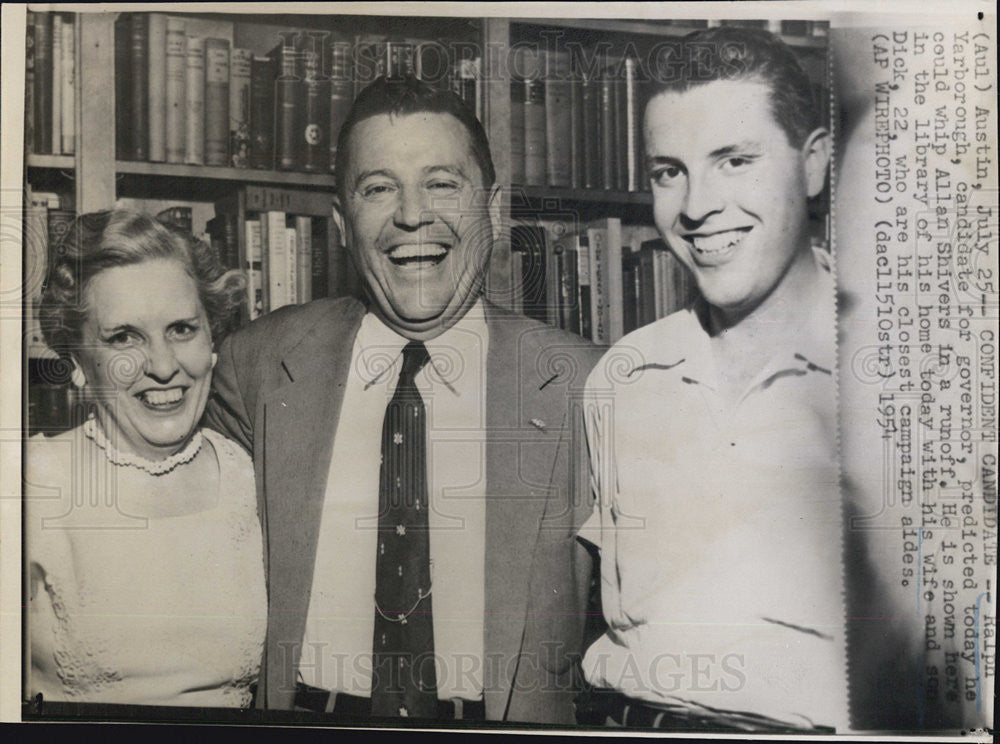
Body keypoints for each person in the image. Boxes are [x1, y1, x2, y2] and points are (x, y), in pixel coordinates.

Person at [204, 76, 601, 724]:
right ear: (340, 223)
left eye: (442, 183)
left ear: (492, 209)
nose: (413, 215)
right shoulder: (258, 366)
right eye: (378, 187)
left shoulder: (585, 386)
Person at [577, 27, 848, 732]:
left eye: (734, 160)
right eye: (670, 171)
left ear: (814, 164)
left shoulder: (911, 380)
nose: (696, 208)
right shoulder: (625, 377)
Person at [25, 211, 267, 707]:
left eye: (181, 329)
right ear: (76, 362)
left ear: (212, 340)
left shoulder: (247, 474)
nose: (161, 366)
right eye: (124, 337)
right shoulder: (34, 481)